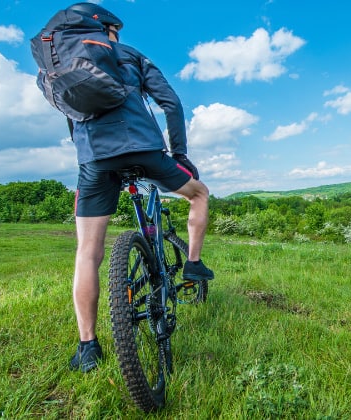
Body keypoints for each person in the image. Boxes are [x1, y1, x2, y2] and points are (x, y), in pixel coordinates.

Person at [62, 2, 214, 373]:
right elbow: (171, 104)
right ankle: (192, 265)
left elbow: (72, 120)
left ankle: (87, 348)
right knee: (200, 193)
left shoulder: (66, 65)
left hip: (95, 159)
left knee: (88, 253)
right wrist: (179, 153)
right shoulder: (130, 54)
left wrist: (88, 156)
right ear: (110, 29)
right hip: (145, 150)